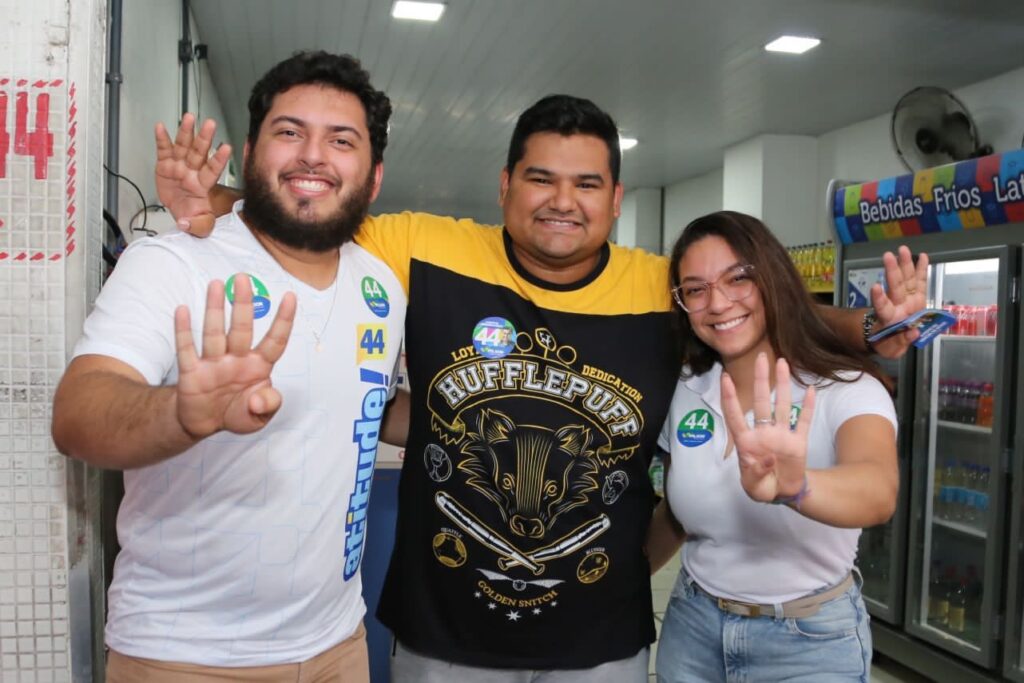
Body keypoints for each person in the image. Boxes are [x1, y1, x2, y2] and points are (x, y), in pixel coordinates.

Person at [159, 92, 926, 682]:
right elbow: (313, 219)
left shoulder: (657, 287)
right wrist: (220, 204)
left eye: (588, 183)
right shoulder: (424, 247)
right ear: (504, 185)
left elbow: (750, 306)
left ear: (615, 200)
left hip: (600, 642)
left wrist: (874, 327)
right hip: (444, 632)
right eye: (541, 178)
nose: (564, 200)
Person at [51, 52, 408, 682]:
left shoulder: (382, 285)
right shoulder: (175, 262)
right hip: (186, 657)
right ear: (250, 151)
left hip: (338, 645)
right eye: (289, 132)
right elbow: (78, 416)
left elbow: (358, 413)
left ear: (373, 177)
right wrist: (181, 414)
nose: (312, 156)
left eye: (341, 140)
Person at [648, 211, 900, 682]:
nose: (718, 303)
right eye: (696, 289)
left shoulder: (846, 387)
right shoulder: (686, 387)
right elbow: (677, 515)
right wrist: (613, 584)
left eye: (738, 279)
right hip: (692, 627)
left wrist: (797, 487)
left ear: (773, 281)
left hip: (809, 642)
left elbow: (877, 488)